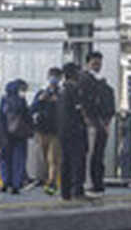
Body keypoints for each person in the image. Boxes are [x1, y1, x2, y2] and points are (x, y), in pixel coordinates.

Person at [79, 51, 116, 194]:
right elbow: (84, 104)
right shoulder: (85, 81)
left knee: (98, 154)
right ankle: (90, 182)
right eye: (94, 64)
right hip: (92, 124)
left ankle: (97, 182)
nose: (97, 67)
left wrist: (106, 122)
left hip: (101, 124)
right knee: (91, 154)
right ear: (87, 64)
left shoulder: (101, 83)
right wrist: (89, 120)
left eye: (99, 64)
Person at [56, 62, 88, 200]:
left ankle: (65, 192)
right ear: (73, 73)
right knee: (77, 161)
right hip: (75, 130)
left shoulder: (61, 90)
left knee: (66, 161)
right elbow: (79, 110)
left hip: (63, 131)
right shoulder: (74, 90)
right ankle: (77, 190)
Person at [0, 79, 33, 194]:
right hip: (19, 134)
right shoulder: (21, 101)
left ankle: (5, 182)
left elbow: (0, 118)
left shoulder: (4, 100)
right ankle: (16, 184)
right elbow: (27, 116)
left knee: (5, 159)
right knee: (18, 159)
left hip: (5, 134)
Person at [31, 67, 61, 195]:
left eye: (56, 77)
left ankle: (52, 182)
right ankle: (44, 179)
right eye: (52, 76)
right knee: (43, 157)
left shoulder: (61, 93)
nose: (54, 79)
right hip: (41, 129)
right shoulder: (42, 93)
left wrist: (58, 102)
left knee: (53, 158)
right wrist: (40, 100)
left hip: (56, 130)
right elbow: (31, 109)